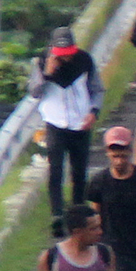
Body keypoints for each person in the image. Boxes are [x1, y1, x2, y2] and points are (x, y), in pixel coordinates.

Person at [34, 23, 102, 225]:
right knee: (55, 169)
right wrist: (46, 74)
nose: (66, 58)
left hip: (81, 124)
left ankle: (79, 212)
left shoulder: (85, 60)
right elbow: (34, 92)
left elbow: (97, 89)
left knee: (79, 171)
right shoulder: (40, 62)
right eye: (62, 54)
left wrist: (93, 112)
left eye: (69, 53)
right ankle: (57, 214)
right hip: (55, 123)